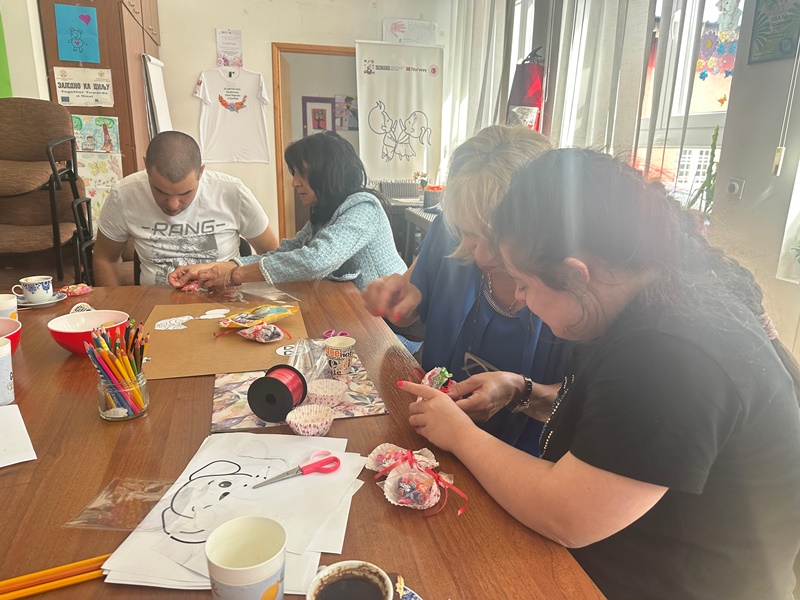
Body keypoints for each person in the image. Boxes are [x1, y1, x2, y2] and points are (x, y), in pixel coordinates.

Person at [400, 148, 800, 599]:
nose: (522, 299)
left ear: (575, 276)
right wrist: (520, 391)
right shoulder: (638, 303)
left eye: (525, 284)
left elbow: (566, 515)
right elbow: (615, 429)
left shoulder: (670, 353)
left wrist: (459, 435)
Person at [363, 126, 570, 455]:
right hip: (430, 438)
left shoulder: (571, 289)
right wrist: (399, 307)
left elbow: (582, 406)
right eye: (469, 233)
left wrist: (520, 393)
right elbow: (411, 319)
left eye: (498, 239)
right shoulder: (447, 235)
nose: (482, 255)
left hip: (525, 462)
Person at [168, 131, 405, 292]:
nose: (295, 183)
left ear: (328, 173)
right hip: (359, 313)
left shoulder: (364, 209)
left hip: (390, 326)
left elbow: (316, 260)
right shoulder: (325, 212)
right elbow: (287, 251)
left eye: (303, 173)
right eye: (295, 174)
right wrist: (218, 268)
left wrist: (234, 275)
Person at [94, 131, 279, 286]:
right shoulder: (124, 194)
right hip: (155, 303)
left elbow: (272, 253)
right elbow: (105, 258)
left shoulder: (232, 192)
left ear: (201, 172)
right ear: (147, 169)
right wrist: (116, 311)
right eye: (160, 191)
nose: (173, 205)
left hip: (226, 303)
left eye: (186, 193)